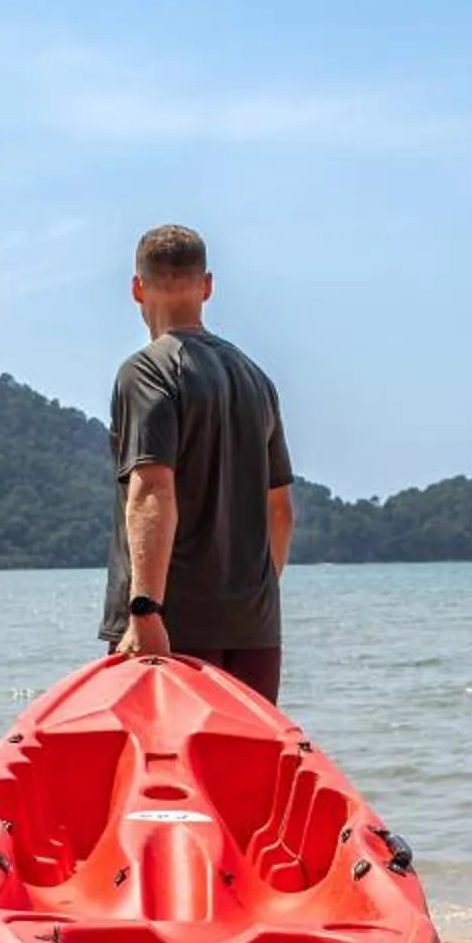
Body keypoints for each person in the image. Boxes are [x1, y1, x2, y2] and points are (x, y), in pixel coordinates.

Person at [100, 225, 295, 700]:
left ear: (136, 288)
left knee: (157, 770)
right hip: (254, 630)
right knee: (242, 771)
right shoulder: (256, 379)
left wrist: (145, 611)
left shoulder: (146, 371)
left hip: (171, 628)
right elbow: (281, 511)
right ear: (206, 286)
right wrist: (248, 603)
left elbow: (151, 489)